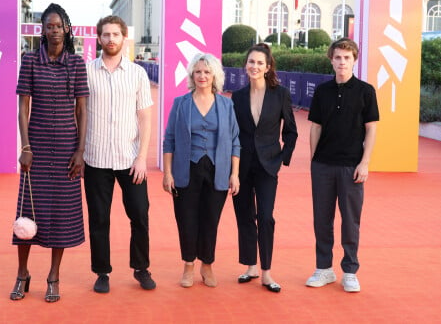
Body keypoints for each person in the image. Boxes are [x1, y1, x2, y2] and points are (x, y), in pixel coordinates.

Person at [10, 3, 88, 303]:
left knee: (62, 215)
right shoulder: (29, 61)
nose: (54, 30)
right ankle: (22, 273)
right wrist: (25, 147)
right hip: (37, 149)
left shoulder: (77, 64)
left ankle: (54, 276)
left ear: (67, 28)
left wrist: (80, 150)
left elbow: (82, 109)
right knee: (28, 212)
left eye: (58, 25)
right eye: (48, 26)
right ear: (42, 30)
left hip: (68, 147)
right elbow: (23, 108)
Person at [84, 15, 156, 292]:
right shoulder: (87, 71)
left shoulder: (138, 74)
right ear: (99, 38)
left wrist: (141, 157)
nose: (111, 39)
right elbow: (79, 112)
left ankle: (141, 268)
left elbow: (145, 118)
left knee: (140, 214)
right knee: (99, 218)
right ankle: (102, 272)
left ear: (124, 38)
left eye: (116, 34)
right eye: (106, 34)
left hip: (130, 159)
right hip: (96, 158)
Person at [305, 38, 379, 293]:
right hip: (323, 166)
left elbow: (371, 130)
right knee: (321, 220)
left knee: (350, 221)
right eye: (337, 57)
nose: (342, 62)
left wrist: (365, 162)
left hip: (351, 166)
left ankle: (350, 271)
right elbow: (315, 127)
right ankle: (323, 269)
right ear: (331, 60)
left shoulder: (366, 91)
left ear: (354, 60)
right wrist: (314, 160)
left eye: (346, 58)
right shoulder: (322, 91)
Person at [162, 53, 241, 288]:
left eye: (207, 72)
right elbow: (170, 140)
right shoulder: (181, 103)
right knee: (186, 219)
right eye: (198, 72)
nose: (202, 76)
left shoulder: (227, 104)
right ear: (191, 75)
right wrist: (168, 173)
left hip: (217, 171)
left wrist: (234, 174)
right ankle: (188, 264)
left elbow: (235, 141)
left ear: (215, 75)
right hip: (186, 169)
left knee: (210, 220)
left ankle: (207, 264)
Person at [231, 43, 297, 293]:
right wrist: (232, 169)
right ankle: (250, 266)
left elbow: (291, 131)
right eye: (251, 62)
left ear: (268, 67)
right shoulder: (236, 97)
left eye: (260, 63)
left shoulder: (280, 94)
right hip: (242, 165)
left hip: (269, 166)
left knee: (266, 217)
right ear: (245, 65)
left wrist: (281, 158)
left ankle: (267, 271)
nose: (254, 67)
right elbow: (232, 134)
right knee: (244, 216)